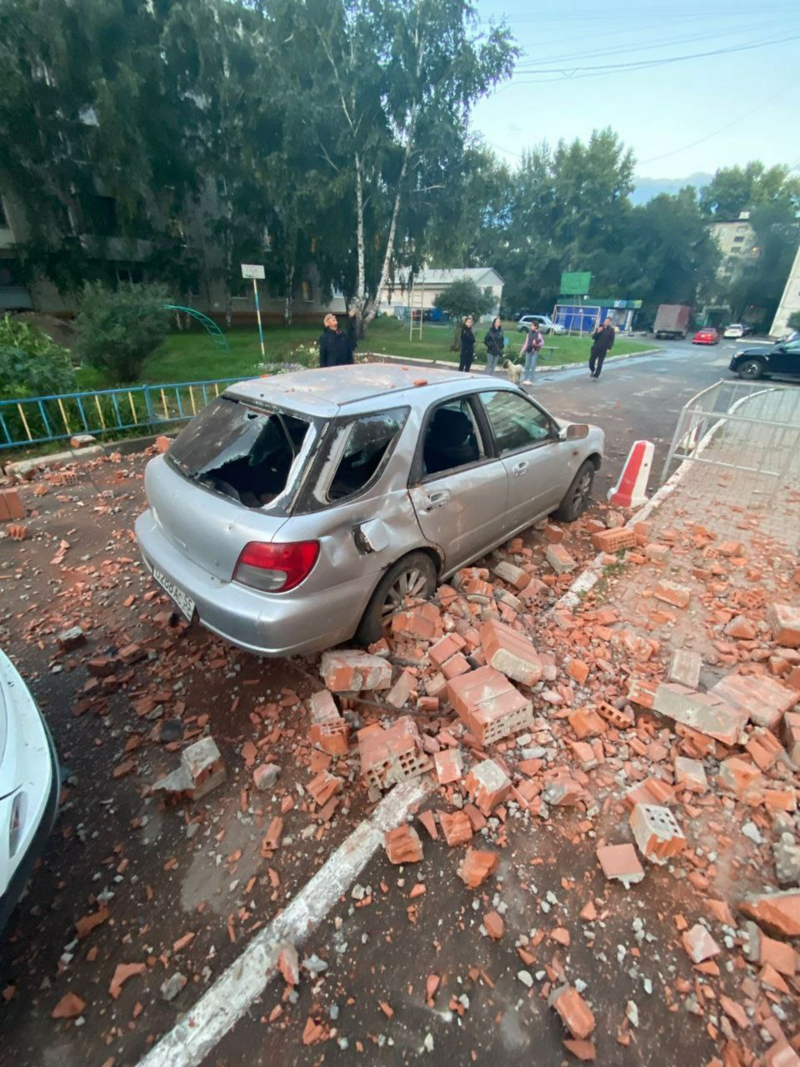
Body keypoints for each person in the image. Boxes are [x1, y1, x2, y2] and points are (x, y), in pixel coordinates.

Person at [519, 320, 544, 385]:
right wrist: (522, 351)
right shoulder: (528, 334)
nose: (531, 327)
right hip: (528, 351)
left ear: (536, 327)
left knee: (532, 365)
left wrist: (537, 344)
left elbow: (542, 343)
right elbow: (526, 343)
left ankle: (531, 379)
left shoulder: (538, 334)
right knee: (527, 365)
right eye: (531, 325)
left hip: (535, 351)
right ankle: (526, 378)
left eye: (532, 325)